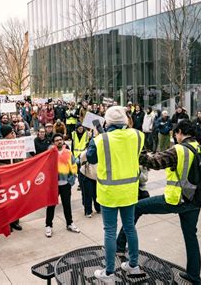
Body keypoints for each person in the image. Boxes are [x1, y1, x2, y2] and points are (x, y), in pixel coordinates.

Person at [116, 120, 201, 284]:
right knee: (191, 237)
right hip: (194, 201)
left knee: (136, 208)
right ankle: (194, 276)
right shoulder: (199, 147)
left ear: (179, 132)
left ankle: (119, 247)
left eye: (175, 134)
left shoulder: (179, 150)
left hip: (175, 200)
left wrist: (137, 149)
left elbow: (152, 162)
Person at [85, 107, 144, 283]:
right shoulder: (138, 135)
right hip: (129, 192)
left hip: (109, 193)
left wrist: (94, 138)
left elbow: (91, 158)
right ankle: (133, 265)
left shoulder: (100, 139)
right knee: (130, 228)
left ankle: (109, 273)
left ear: (107, 121)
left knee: (110, 231)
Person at [44, 133, 80, 238]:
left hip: (65, 184)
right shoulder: (50, 153)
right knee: (51, 205)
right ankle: (48, 225)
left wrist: (71, 180)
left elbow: (73, 166)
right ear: (53, 142)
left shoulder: (68, 152)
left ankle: (69, 223)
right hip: (53, 185)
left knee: (67, 204)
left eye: (61, 139)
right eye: (57, 140)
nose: (59, 141)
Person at [0, 125, 23, 231]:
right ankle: (6, 222)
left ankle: (15, 221)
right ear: (6, 135)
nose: (13, 134)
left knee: (16, 199)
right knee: (6, 200)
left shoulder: (17, 143)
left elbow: (20, 159)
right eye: (11, 133)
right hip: (4, 177)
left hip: (16, 175)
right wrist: (4, 166)